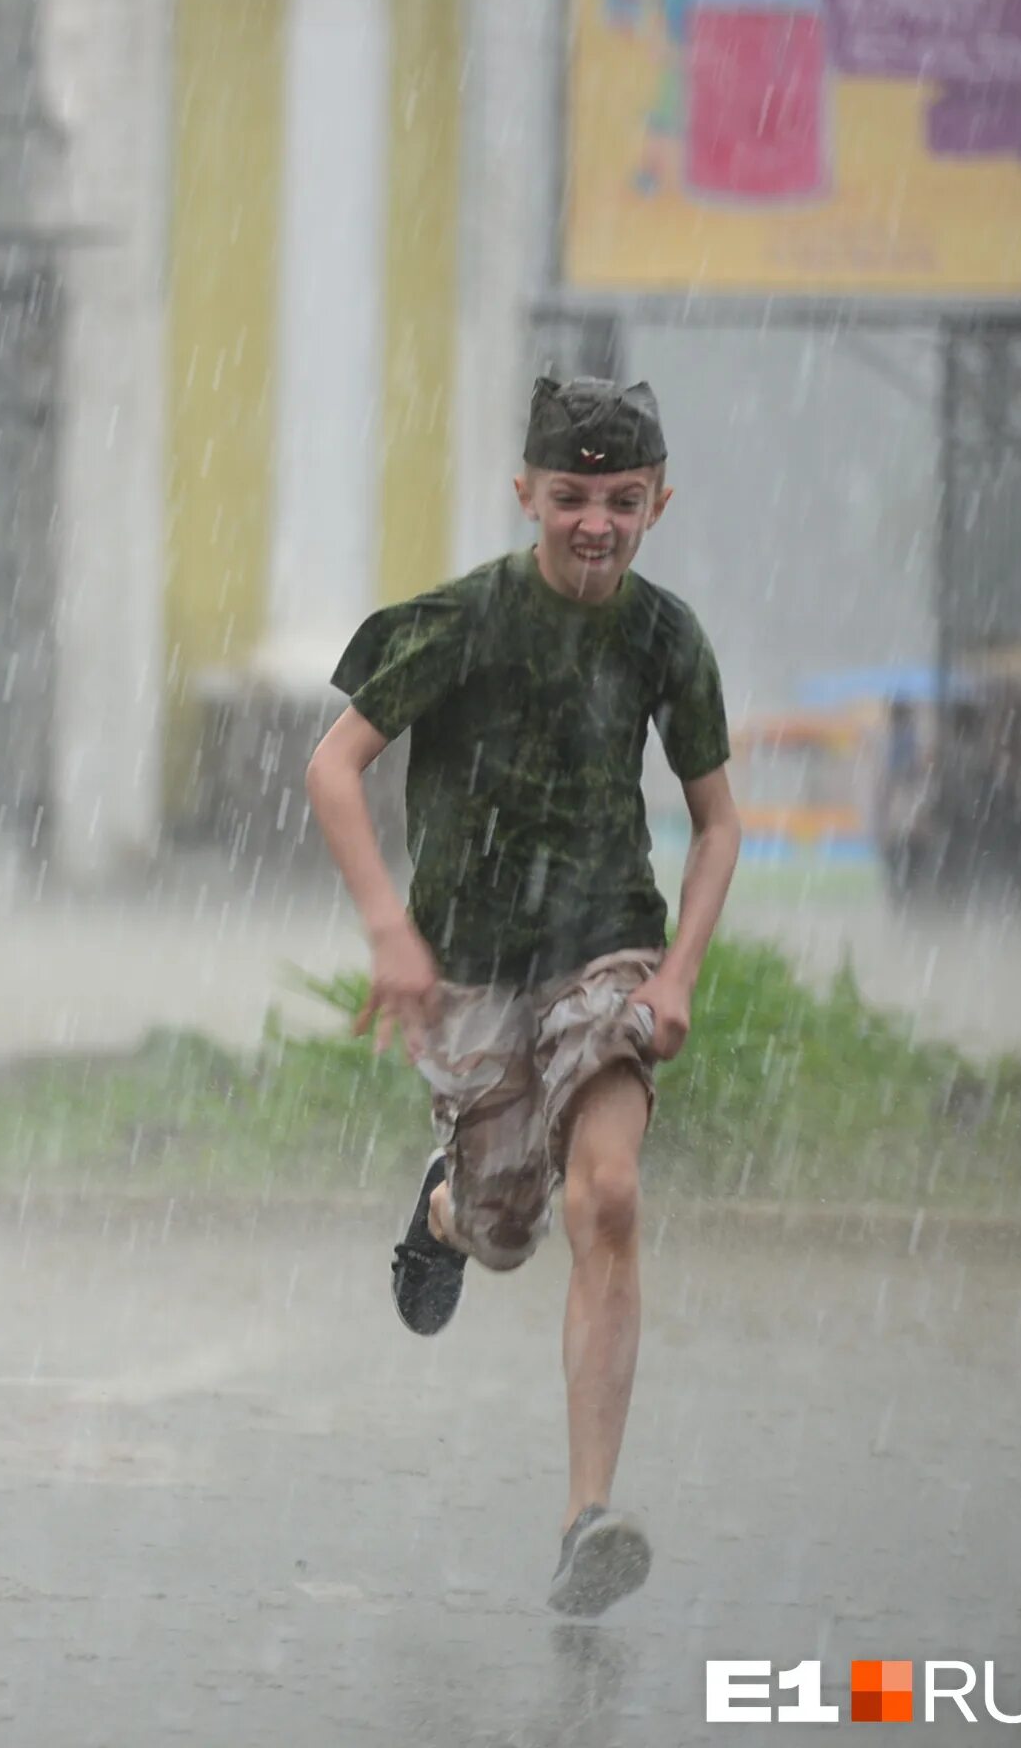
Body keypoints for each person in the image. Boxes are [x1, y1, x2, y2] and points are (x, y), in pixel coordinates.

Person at [304, 376, 740, 1619]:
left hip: (605, 944)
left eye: (620, 500)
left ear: (657, 503)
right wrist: (392, 933)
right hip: (471, 965)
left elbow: (717, 826)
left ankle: (585, 1518)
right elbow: (333, 770)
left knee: (607, 1195)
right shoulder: (463, 622)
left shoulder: (666, 636)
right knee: (507, 1231)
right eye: (570, 498)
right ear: (527, 497)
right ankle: (446, 1209)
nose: (594, 523)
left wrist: (677, 972)